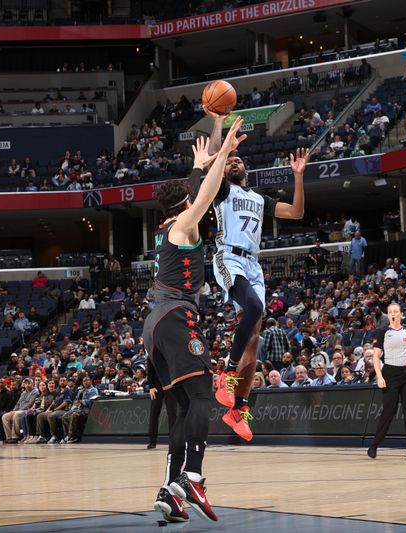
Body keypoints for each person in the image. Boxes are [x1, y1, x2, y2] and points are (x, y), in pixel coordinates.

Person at [144, 118, 245, 524]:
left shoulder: (168, 226)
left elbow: (195, 188)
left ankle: (169, 492)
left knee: (182, 408)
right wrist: (222, 154)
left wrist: (214, 134)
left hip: (154, 325)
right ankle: (193, 477)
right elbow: (201, 195)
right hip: (173, 317)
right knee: (204, 394)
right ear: (185, 204)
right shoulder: (185, 226)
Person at [206, 109, 309, 442]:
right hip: (229, 258)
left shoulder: (259, 199)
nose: (234, 163)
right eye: (229, 162)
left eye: (238, 161)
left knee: (255, 338)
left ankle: (240, 408)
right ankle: (226, 373)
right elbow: (211, 162)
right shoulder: (222, 192)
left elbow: (296, 212)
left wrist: (298, 175)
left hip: (253, 265)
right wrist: (219, 128)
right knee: (253, 309)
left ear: (247, 170)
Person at [368, 302, 406, 460]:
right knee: (389, 411)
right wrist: (379, 376)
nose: (393, 314)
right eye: (390, 312)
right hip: (390, 374)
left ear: (401, 314)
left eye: (396, 311)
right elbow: (375, 356)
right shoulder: (382, 332)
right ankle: (374, 445)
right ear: (388, 314)